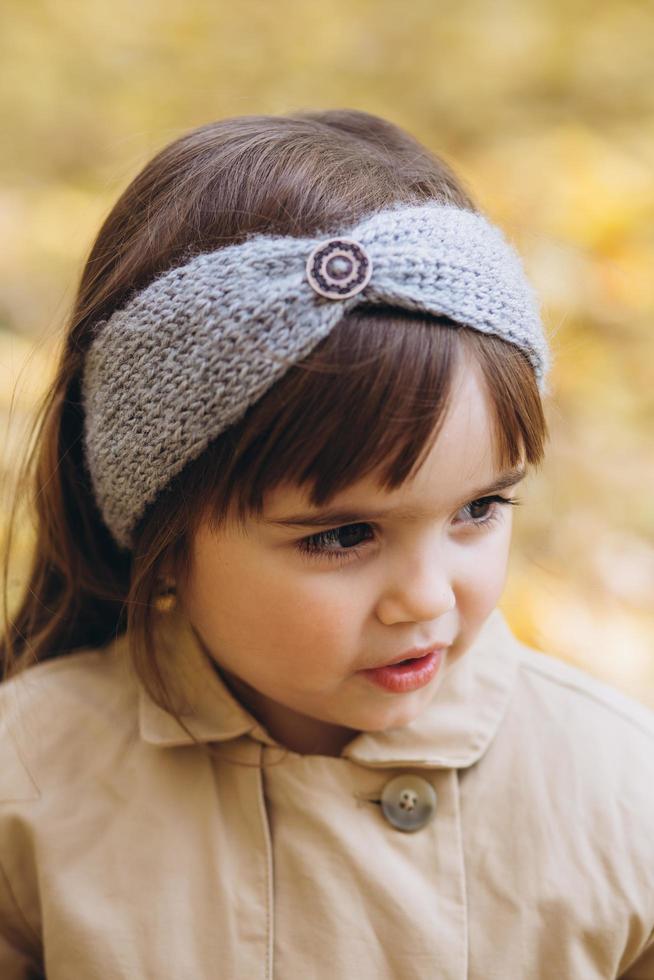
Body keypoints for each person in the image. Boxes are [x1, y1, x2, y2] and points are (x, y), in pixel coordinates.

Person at [0, 108, 652, 979]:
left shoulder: (616, 789)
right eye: (344, 535)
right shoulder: (30, 789)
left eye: (480, 509)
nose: (427, 597)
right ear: (163, 525)